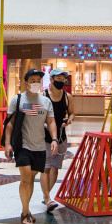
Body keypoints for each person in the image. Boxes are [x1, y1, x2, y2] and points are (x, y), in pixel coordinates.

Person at [4, 69, 58, 224]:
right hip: (23, 146)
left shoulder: (46, 102)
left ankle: (26, 212)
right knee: (26, 176)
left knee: (31, 179)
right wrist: (8, 143)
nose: (36, 83)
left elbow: (51, 121)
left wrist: (54, 139)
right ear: (26, 82)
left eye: (38, 80)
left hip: (40, 146)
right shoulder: (18, 100)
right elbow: (10, 124)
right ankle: (25, 212)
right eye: (32, 80)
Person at [40, 69, 74, 212]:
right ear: (52, 80)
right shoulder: (43, 95)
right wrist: (43, 123)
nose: (61, 81)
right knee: (46, 167)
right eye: (58, 78)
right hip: (46, 137)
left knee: (55, 167)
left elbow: (72, 113)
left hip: (61, 136)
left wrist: (69, 120)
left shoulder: (67, 96)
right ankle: (48, 199)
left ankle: (47, 195)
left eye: (63, 79)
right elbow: (38, 115)